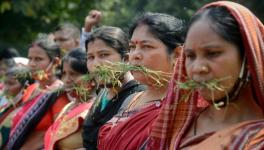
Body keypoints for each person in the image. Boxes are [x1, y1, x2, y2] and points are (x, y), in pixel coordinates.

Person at [146, 1, 264, 149]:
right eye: (190, 56)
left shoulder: (258, 138)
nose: (197, 68)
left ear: (248, 57)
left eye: (213, 53)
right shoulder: (179, 125)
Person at [97, 12, 186, 150]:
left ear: (177, 54)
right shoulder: (131, 100)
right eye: (132, 47)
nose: (135, 55)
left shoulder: (183, 107)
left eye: (146, 46)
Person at [82, 26, 145, 149]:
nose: (96, 64)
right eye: (90, 57)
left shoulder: (138, 97)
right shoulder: (102, 93)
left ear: (126, 59)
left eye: (104, 55)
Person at [7, 34, 69, 150]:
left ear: (55, 62)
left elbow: (58, 137)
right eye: (30, 58)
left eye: (38, 59)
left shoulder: (59, 94)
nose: (32, 64)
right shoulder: (31, 89)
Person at [44, 48, 95, 150]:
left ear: (92, 77)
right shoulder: (68, 106)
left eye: (73, 74)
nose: (66, 80)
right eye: (64, 74)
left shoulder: (95, 110)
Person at [0, 66, 34, 148]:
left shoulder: (26, 111)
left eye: (11, 84)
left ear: (26, 86)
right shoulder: (4, 104)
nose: (6, 88)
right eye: (5, 83)